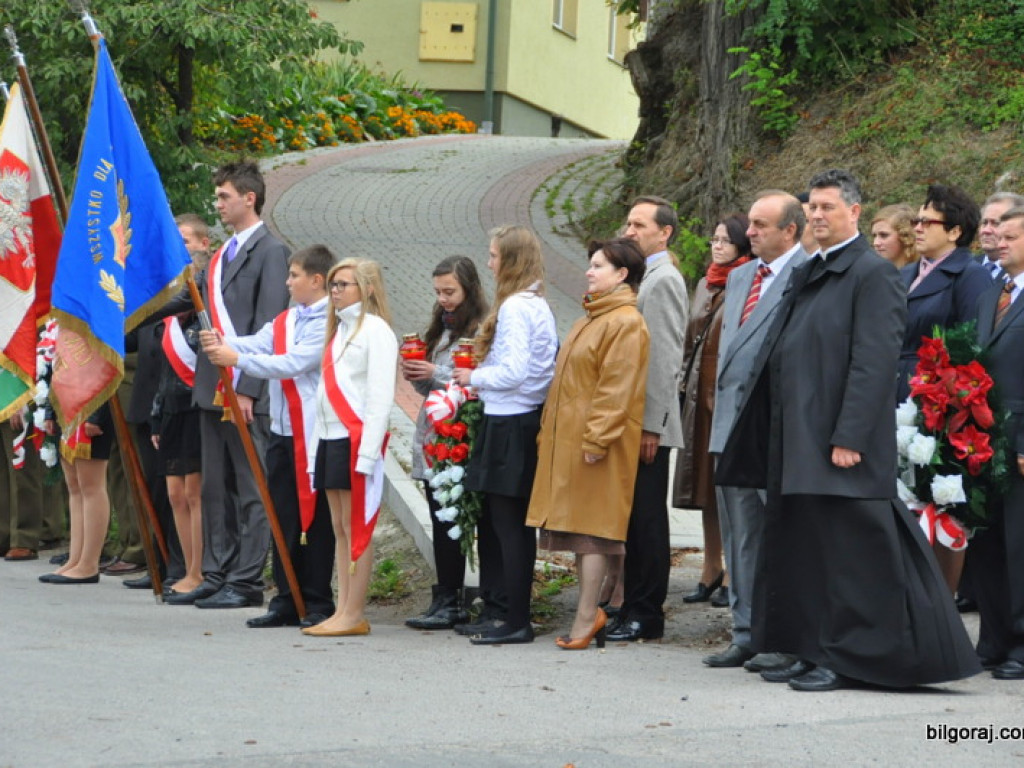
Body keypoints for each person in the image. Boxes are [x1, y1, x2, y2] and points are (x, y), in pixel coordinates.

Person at [717, 169, 980, 691]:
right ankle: (807, 648)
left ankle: (846, 657)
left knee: (846, 559)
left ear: (854, 212)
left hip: (839, 445)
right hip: (796, 439)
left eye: (828, 207)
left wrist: (850, 436)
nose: (817, 215)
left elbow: (873, 362)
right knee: (804, 551)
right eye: (812, 207)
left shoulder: (871, 273)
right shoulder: (811, 269)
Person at [165, 161, 291, 609]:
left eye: (224, 196)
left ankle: (246, 579)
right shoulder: (220, 257)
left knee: (250, 488)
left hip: (242, 387)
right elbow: (189, 299)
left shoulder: (272, 252)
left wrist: (250, 387)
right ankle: (216, 573)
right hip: (211, 386)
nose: (217, 204)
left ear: (249, 198)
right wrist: (126, 310)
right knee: (215, 488)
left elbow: (270, 324)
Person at [201, 245, 337, 629]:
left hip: (314, 432)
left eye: (294, 275)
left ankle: (317, 599)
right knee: (284, 516)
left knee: (314, 521)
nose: (287, 282)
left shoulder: (329, 320)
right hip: (283, 430)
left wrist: (237, 360)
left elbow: (295, 363)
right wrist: (223, 342)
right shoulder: (287, 319)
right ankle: (286, 597)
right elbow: (258, 342)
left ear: (316, 280)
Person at [702, 191, 809, 671]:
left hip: (775, 428)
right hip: (730, 427)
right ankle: (744, 632)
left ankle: (781, 635)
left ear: (790, 230)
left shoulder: (808, 274)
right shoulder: (742, 276)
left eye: (761, 225)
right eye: (750, 223)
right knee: (739, 534)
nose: (749, 233)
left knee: (779, 536)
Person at [527, 238, 649, 650]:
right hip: (573, 441)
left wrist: (597, 438)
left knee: (594, 533)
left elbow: (617, 389)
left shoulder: (625, 322)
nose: (589, 272)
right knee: (582, 532)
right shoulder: (592, 317)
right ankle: (588, 614)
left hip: (598, 445)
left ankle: (586, 618)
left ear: (622, 275)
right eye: (591, 264)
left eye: (598, 266)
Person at [451, 225, 558, 646]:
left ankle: (516, 619)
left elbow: (515, 372)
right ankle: (504, 614)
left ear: (511, 261)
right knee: (505, 525)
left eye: (495, 256)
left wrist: (473, 377)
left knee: (509, 526)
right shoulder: (535, 303)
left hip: (510, 421)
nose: (490, 263)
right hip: (517, 417)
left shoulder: (516, 306)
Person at [606, 196, 688, 643]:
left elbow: (664, 359)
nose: (630, 231)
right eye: (628, 223)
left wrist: (652, 424)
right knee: (632, 519)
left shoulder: (664, 280)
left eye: (639, 225)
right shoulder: (644, 276)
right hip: (633, 420)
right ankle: (631, 607)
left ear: (664, 233)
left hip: (648, 425)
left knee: (647, 521)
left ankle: (646, 613)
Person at [302, 258, 397, 637]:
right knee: (339, 526)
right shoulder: (338, 330)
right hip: (329, 438)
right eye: (334, 284)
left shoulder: (376, 330)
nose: (335, 291)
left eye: (344, 284)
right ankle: (343, 608)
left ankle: (354, 611)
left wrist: (368, 454)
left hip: (355, 440)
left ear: (367, 288)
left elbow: (379, 398)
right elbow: (322, 397)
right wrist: (314, 452)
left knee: (356, 526)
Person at [403, 256, 489, 630]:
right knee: (440, 519)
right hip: (434, 434)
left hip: (460, 437)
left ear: (470, 289)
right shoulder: (441, 326)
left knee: (458, 517)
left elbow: (472, 380)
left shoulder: (482, 328)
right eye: (438, 292)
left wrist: (434, 371)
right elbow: (432, 387)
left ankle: (459, 599)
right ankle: (445, 596)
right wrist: (417, 373)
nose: (443, 299)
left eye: (450, 291)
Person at [676, 214, 752, 609]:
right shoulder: (705, 283)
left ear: (742, 245)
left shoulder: (748, 281)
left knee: (728, 488)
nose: (717, 246)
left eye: (725, 240)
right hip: (698, 397)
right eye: (714, 239)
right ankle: (710, 567)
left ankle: (735, 574)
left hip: (726, 398)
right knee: (705, 488)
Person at [968, 205, 1024, 680]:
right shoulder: (992, 295)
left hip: (1019, 437)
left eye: (1011, 235)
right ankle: (994, 638)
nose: (999, 241)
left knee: (1021, 543)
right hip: (982, 439)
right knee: (987, 540)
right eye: (997, 234)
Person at [898, 184, 992, 404]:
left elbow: (971, 348)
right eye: (916, 221)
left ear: (954, 232)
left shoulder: (971, 276)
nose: (917, 229)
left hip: (933, 397)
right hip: (889, 388)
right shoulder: (904, 274)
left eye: (927, 222)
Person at [38, 403, 114, 585]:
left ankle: (89, 563)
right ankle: (75, 559)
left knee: (91, 487)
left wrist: (96, 416)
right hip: (66, 407)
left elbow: (105, 384)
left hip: (90, 406)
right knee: (74, 487)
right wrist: (50, 412)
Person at [976, 193, 1024, 278]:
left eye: (996, 223)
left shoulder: (1017, 273)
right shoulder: (965, 267)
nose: (986, 230)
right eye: (984, 223)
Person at [870, 204, 918, 269]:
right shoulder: (874, 271)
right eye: (874, 236)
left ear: (905, 236)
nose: (876, 243)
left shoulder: (922, 272)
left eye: (884, 235)